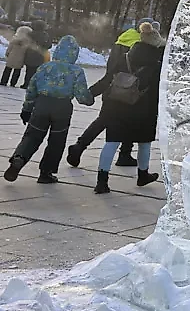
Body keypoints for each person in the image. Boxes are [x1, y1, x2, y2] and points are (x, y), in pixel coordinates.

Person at [66, 18, 158, 168]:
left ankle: (79, 146)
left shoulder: (122, 39)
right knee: (128, 123)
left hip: (114, 91)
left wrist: (91, 93)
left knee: (102, 121)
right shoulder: (144, 46)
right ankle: (124, 155)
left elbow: (110, 73)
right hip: (133, 95)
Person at [5, 36, 95, 184]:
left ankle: (19, 158)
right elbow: (82, 96)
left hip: (42, 105)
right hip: (62, 109)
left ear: (58, 50)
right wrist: (89, 99)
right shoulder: (76, 71)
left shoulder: (45, 67)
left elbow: (32, 89)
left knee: (32, 136)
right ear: (75, 53)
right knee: (56, 141)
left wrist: (27, 109)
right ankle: (46, 172)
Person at [94, 22, 165, 194]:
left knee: (111, 142)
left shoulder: (125, 57)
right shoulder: (157, 63)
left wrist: (90, 93)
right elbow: (161, 89)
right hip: (145, 110)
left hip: (118, 105)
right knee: (144, 143)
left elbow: (108, 79)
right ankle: (143, 175)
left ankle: (102, 182)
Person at [20, 21, 51, 91]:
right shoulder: (45, 35)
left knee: (28, 71)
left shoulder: (30, 34)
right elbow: (49, 45)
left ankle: (26, 84)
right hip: (40, 55)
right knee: (37, 72)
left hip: (30, 55)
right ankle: (34, 85)